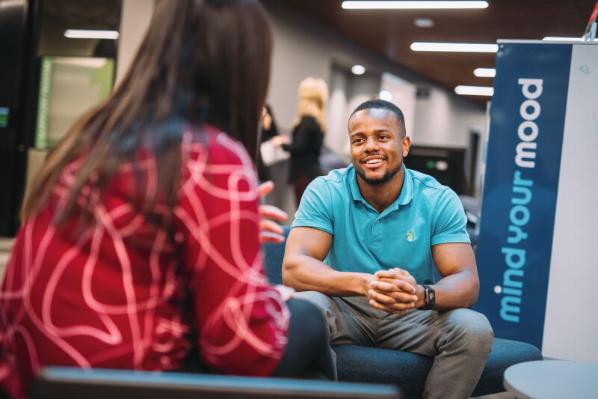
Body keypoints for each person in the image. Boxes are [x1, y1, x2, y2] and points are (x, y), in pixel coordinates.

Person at [0, 2, 335, 399]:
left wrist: (230, 227)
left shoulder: (92, 138)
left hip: (34, 378)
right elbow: (245, 348)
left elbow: (135, 265)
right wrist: (271, 300)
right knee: (310, 319)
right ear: (243, 68)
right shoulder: (209, 155)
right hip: (127, 381)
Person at [282, 99, 494, 399]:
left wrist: (419, 295)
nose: (370, 146)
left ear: (404, 144)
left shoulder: (437, 198)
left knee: (473, 328)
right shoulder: (326, 190)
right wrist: (365, 284)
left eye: (382, 137)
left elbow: (466, 281)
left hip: (411, 313)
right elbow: (294, 267)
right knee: (305, 308)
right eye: (359, 140)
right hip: (345, 308)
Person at [282, 77, 328, 205]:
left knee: (302, 212)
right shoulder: (319, 121)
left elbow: (299, 147)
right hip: (312, 172)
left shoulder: (307, 121)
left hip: (303, 174)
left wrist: (282, 144)